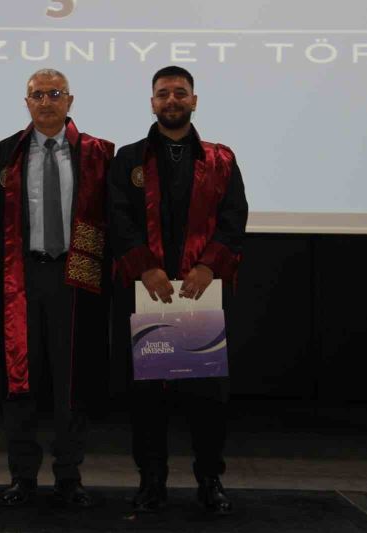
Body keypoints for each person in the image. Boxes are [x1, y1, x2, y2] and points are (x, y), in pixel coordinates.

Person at [0, 69, 113, 507]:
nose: (46, 102)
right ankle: (23, 476)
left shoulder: (99, 154)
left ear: (70, 100)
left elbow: (116, 222)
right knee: (19, 382)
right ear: (26, 102)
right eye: (37, 95)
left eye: (54, 94)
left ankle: (69, 475)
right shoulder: (4, 154)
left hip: (77, 280)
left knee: (72, 383)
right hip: (20, 278)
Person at [108, 66, 248, 514]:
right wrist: (144, 267)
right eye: (163, 93)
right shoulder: (129, 159)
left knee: (208, 398)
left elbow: (234, 218)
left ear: (194, 100)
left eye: (180, 93)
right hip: (146, 295)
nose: (172, 100)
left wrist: (209, 266)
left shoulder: (221, 159)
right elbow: (117, 219)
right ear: (152, 102)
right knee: (147, 397)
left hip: (201, 295)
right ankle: (152, 483)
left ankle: (210, 480)